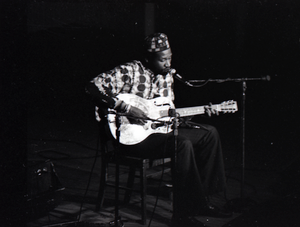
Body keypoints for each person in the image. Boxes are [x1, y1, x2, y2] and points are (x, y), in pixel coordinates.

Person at [86, 33, 232, 227]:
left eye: (170, 57)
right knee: (181, 144)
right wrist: (126, 108)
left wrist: (205, 110)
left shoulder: (168, 77)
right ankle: (182, 215)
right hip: (131, 137)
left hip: (156, 132)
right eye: (162, 59)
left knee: (209, 133)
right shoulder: (129, 71)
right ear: (148, 58)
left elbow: (166, 114)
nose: (168, 63)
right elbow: (92, 87)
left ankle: (201, 202)